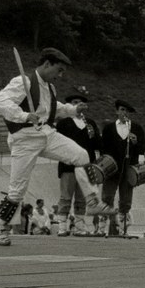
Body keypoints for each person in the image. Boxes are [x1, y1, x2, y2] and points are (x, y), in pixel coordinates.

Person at [0, 48, 116, 246]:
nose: (60, 75)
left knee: (82, 155)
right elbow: (1, 100)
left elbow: (55, 108)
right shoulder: (23, 82)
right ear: (47, 64)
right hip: (25, 138)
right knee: (17, 190)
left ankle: (92, 201)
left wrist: (73, 109)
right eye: (59, 70)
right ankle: (2, 227)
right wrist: (24, 115)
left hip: (47, 134)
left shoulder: (50, 88)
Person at [55, 94, 101, 237]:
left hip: (86, 166)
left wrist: (94, 136)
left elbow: (97, 145)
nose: (78, 105)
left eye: (80, 103)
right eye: (75, 103)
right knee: (66, 197)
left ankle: (79, 226)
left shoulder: (90, 123)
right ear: (69, 105)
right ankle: (62, 225)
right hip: (68, 165)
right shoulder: (64, 123)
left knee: (81, 198)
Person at [100, 99, 145, 237]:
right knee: (107, 197)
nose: (124, 113)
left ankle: (122, 228)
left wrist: (136, 143)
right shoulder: (108, 128)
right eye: (122, 109)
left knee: (126, 200)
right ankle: (102, 228)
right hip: (112, 168)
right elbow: (103, 148)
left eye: (127, 111)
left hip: (128, 167)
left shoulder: (136, 128)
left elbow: (143, 147)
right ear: (116, 111)